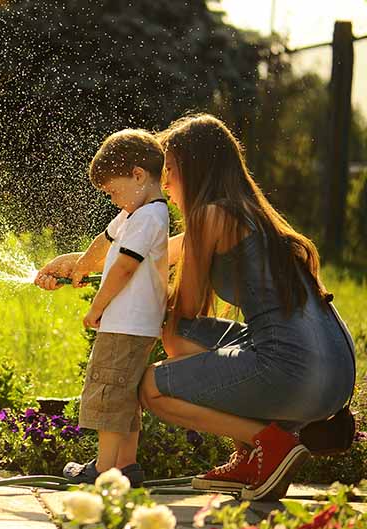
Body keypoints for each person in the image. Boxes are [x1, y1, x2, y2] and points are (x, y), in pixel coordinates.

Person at [134, 113, 356, 501]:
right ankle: (254, 452)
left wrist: (130, 299)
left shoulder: (210, 215)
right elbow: (140, 253)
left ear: (193, 167)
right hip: (337, 371)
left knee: (152, 387)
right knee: (184, 338)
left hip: (294, 371)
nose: (164, 182)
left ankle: (266, 444)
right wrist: (77, 266)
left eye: (169, 170)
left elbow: (181, 309)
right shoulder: (245, 213)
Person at [35, 129, 169, 487]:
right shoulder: (135, 213)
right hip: (133, 325)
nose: (113, 200)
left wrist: (97, 308)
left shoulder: (148, 217)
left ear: (138, 175)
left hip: (124, 325)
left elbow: (124, 266)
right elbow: (105, 243)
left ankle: (103, 469)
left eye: (113, 191)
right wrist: (76, 266)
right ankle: (126, 466)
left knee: (108, 393)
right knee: (123, 395)